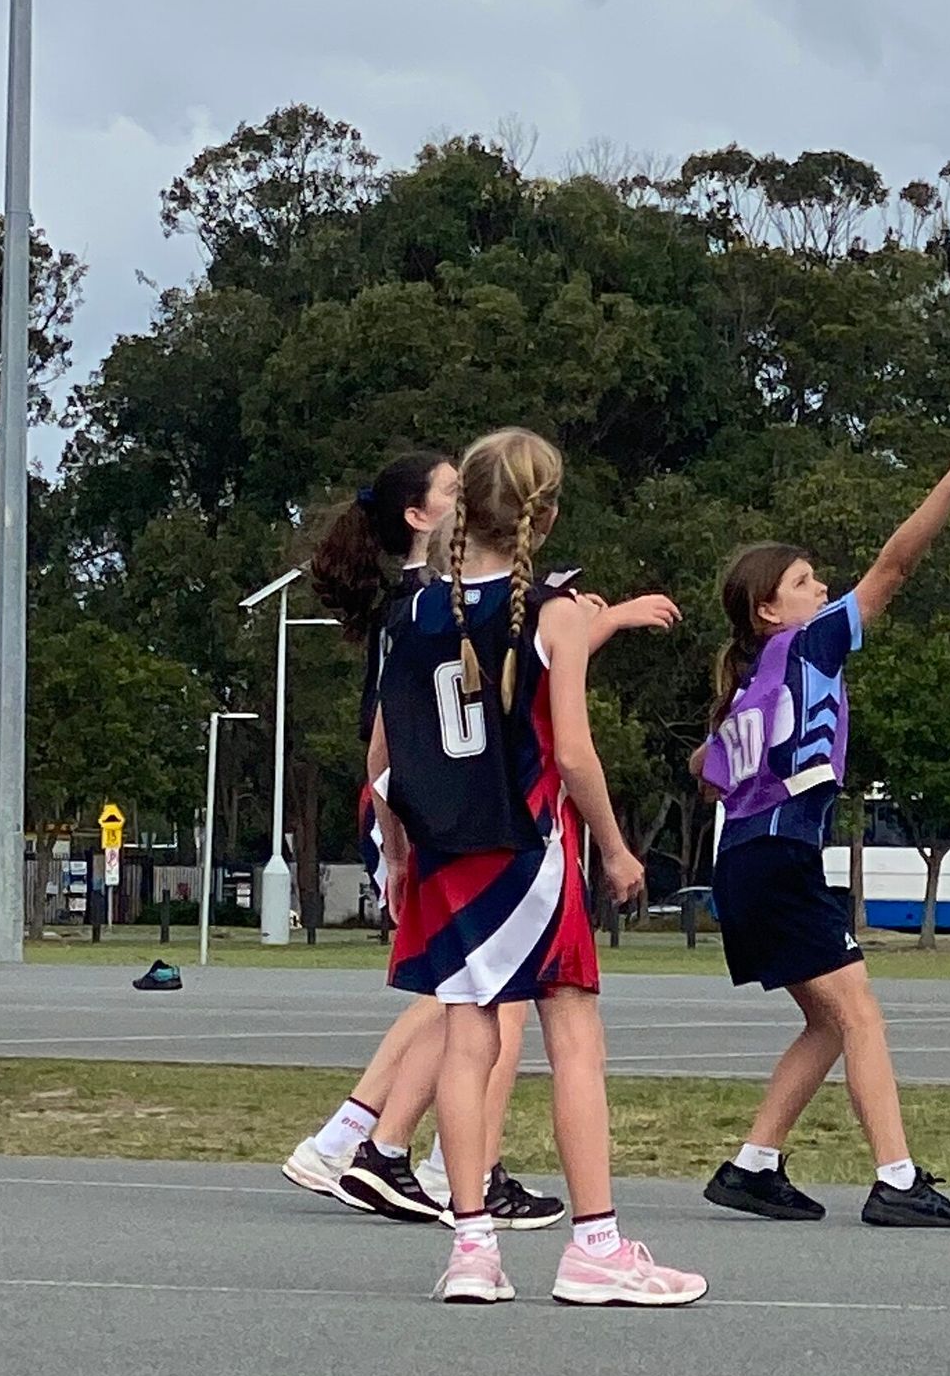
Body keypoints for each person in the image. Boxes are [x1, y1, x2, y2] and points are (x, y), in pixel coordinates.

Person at [371, 427, 702, 1307]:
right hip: (526, 853)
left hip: (445, 857)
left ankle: (472, 1246)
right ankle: (595, 1243)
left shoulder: (410, 614)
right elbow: (577, 756)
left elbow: (382, 759)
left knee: (466, 1039)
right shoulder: (550, 615)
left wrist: (396, 853)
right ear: (542, 517)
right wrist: (619, 848)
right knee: (574, 1035)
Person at [278, 451, 563, 1231]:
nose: (468, 499)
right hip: (431, 806)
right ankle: (424, 1157)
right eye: (452, 490)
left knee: (465, 991)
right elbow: (390, 736)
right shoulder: (430, 604)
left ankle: (361, 1139)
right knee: (482, 995)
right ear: (419, 515)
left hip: (427, 803)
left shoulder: (433, 600)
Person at [697, 467, 950, 1229]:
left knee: (826, 1021)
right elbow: (894, 566)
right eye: (803, 581)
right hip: (780, 855)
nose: (821, 588)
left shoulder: (749, 683)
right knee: (860, 1016)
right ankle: (896, 1178)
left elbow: (707, 771)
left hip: (746, 859)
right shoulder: (804, 645)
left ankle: (753, 1165)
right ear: (768, 610)